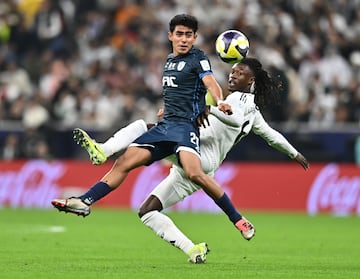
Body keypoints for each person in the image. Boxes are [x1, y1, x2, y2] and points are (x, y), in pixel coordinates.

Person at [53, 58, 310, 263]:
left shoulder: (238, 101)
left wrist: (210, 109)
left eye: (239, 72)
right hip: (198, 157)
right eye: (232, 71)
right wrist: (295, 154)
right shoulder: (254, 113)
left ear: (251, 80)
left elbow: (232, 118)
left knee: (146, 126)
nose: (233, 75)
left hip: (194, 150)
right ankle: (193, 249)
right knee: (147, 211)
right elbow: (273, 137)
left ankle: (103, 151)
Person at [51, 14, 250, 263]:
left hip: (184, 129)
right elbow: (179, 94)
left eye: (189, 35)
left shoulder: (198, 57)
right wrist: (167, 109)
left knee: (195, 174)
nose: (184, 39)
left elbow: (210, 83)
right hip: (165, 126)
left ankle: (237, 219)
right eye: (179, 34)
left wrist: (219, 101)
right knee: (124, 162)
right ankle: (84, 201)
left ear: (195, 38)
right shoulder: (168, 61)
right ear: (170, 36)